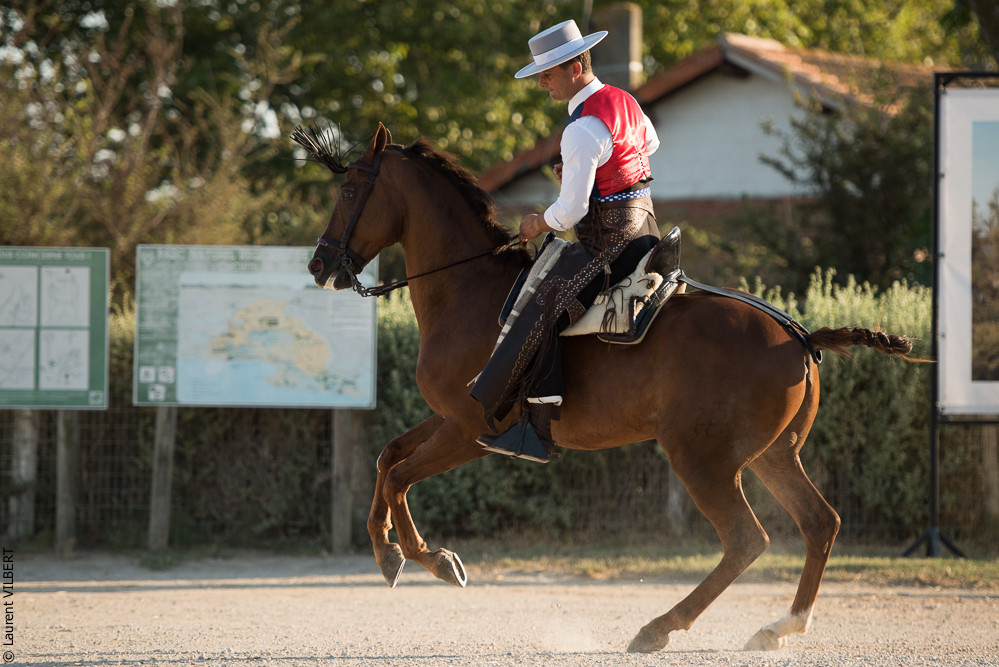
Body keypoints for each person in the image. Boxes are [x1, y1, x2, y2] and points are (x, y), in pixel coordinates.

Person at [470, 19, 660, 462]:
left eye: (549, 73)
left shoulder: (579, 129)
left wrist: (537, 222)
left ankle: (535, 432)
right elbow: (647, 145)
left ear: (576, 66)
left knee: (539, 307)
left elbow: (570, 214)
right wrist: (589, 176)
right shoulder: (626, 101)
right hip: (647, 229)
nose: (542, 83)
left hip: (607, 245)